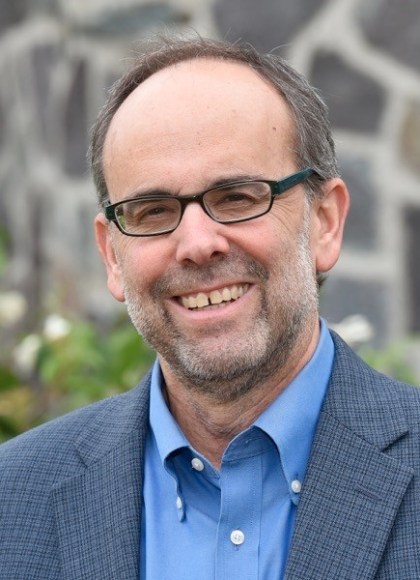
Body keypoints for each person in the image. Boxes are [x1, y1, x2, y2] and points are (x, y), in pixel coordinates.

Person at [0, 34, 419, 580]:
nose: (198, 244)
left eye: (237, 197)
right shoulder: (14, 499)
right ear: (111, 255)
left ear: (325, 222)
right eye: (152, 210)